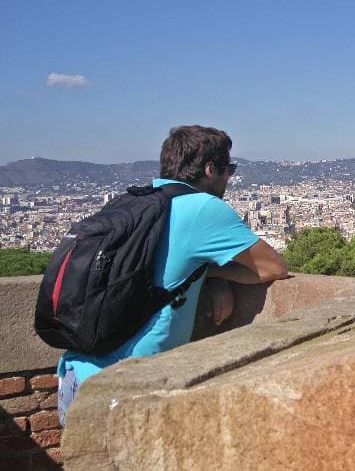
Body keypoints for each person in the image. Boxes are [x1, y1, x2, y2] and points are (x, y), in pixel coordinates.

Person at [57, 125, 289, 425]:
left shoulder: (138, 201)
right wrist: (219, 274)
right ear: (210, 169)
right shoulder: (203, 208)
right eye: (228, 169)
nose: (229, 178)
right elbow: (274, 268)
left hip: (77, 377)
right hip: (125, 390)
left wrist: (209, 274)